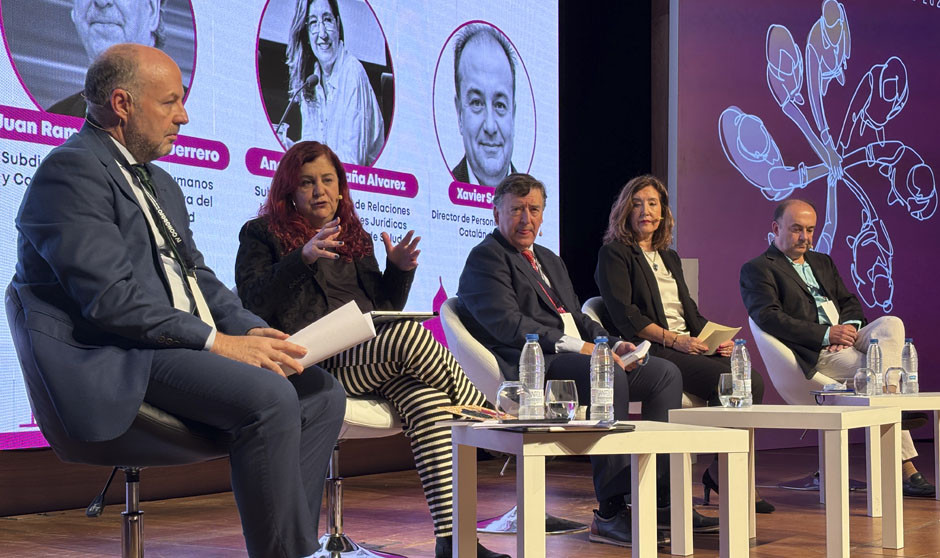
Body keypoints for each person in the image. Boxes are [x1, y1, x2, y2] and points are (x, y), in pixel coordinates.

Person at [12, 44, 346, 558]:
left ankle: (293, 547)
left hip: (174, 346)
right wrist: (218, 342)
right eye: (169, 102)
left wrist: (250, 330)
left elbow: (197, 278)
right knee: (270, 397)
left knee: (320, 392)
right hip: (121, 354)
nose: (184, 116)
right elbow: (110, 302)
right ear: (122, 104)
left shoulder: (162, 183)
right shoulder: (71, 172)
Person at [234, 141, 507, 558]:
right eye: (307, 183)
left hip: (367, 357)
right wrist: (301, 258)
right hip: (312, 364)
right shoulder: (261, 234)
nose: (319, 190)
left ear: (342, 189)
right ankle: (491, 420)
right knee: (413, 338)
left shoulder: (355, 237)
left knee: (427, 398)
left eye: (328, 180)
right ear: (289, 190)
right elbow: (251, 303)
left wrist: (397, 271)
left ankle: (453, 541)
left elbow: (383, 311)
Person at [457, 173, 719, 548]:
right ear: (496, 211)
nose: (526, 219)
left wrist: (615, 343)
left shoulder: (547, 258)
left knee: (664, 374)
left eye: (534, 210)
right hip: (537, 366)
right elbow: (509, 324)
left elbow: (577, 317)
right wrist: (590, 352)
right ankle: (611, 511)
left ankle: (662, 499)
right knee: (607, 372)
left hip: (579, 357)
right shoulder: (486, 258)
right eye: (516, 210)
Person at [594, 174, 773, 513]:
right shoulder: (615, 254)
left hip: (685, 344)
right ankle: (689, 481)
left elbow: (690, 313)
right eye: (637, 204)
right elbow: (625, 315)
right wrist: (674, 341)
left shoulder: (669, 257)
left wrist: (716, 340)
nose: (645, 211)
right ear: (624, 212)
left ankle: (720, 469)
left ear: (663, 213)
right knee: (731, 383)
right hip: (652, 348)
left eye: (652, 204)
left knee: (751, 381)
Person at [740, 198, 935, 497]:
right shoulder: (758, 269)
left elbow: (849, 302)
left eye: (810, 230)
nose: (805, 237)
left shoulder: (822, 261)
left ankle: (891, 398)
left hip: (847, 338)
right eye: (796, 230)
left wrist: (849, 330)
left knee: (891, 323)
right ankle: (905, 465)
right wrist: (825, 334)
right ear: (776, 228)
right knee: (876, 379)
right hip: (816, 352)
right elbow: (769, 318)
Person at [283, 0, 385, 166]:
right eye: (314, 23)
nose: (322, 33)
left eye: (327, 20)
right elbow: (311, 145)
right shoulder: (312, 78)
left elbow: (352, 162)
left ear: (338, 25)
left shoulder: (352, 73)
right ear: (306, 33)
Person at [49, 0, 170, 116]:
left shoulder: (184, 116)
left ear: (152, 10)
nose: (101, 2)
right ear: (74, 9)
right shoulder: (50, 120)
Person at [451, 23, 516, 186]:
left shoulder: (535, 201)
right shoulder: (438, 189)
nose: (490, 127)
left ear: (513, 115)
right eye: (477, 103)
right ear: (459, 114)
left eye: (500, 105)